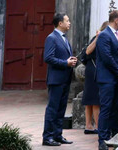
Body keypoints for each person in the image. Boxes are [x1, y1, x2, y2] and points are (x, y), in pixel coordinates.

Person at [42, 13, 78, 147]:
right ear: (60, 23)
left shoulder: (64, 39)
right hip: (56, 80)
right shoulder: (51, 38)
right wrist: (65, 63)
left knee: (61, 108)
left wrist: (71, 61)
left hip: (65, 79)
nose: (69, 23)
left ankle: (57, 135)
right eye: (67, 21)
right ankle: (47, 137)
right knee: (53, 108)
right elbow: (48, 58)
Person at [95, 10, 118, 150]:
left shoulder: (117, 35)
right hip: (107, 79)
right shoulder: (104, 35)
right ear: (116, 20)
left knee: (116, 108)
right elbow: (107, 57)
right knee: (106, 108)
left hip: (117, 77)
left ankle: (115, 135)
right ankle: (102, 139)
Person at [80, 22, 108, 136]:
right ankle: (96, 125)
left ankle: (89, 125)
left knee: (90, 100)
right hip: (94, 71)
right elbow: (87, 52)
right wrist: (97, 38)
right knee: (95, 100)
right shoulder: (97, 38)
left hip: (92, 70)